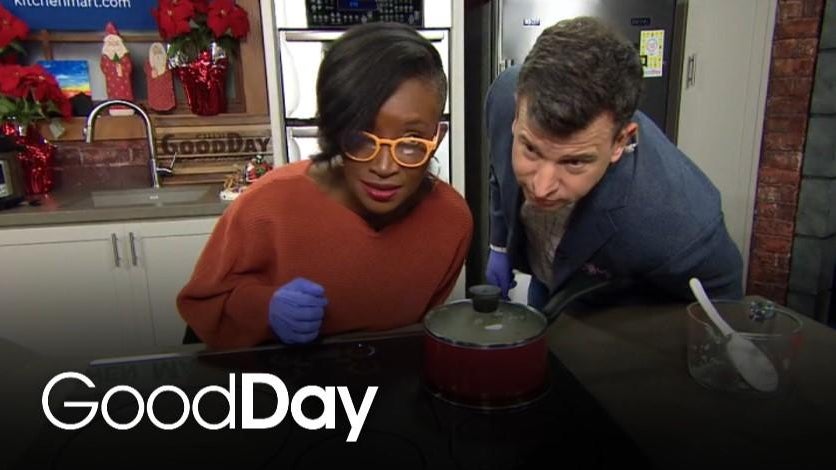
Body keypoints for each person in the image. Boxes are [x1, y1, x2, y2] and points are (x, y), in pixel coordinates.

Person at [178, 22, 473, 349]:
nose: (384, 167)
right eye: (361, 137)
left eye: (410, 141)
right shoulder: (265, 207)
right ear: (334, 130)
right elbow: (202, 308)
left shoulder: (452, 222)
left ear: (437, 137)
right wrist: (263, 309)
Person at [485, 17, 743, 311]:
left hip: (612, 310)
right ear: (516, 112)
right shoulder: (504, 99)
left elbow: (724, 304)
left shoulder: (679, 221)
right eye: (531, 149)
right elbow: (498, 172)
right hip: (551, 281)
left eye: (574, 162)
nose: (541, 188)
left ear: (620, 142)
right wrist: (499, 245)